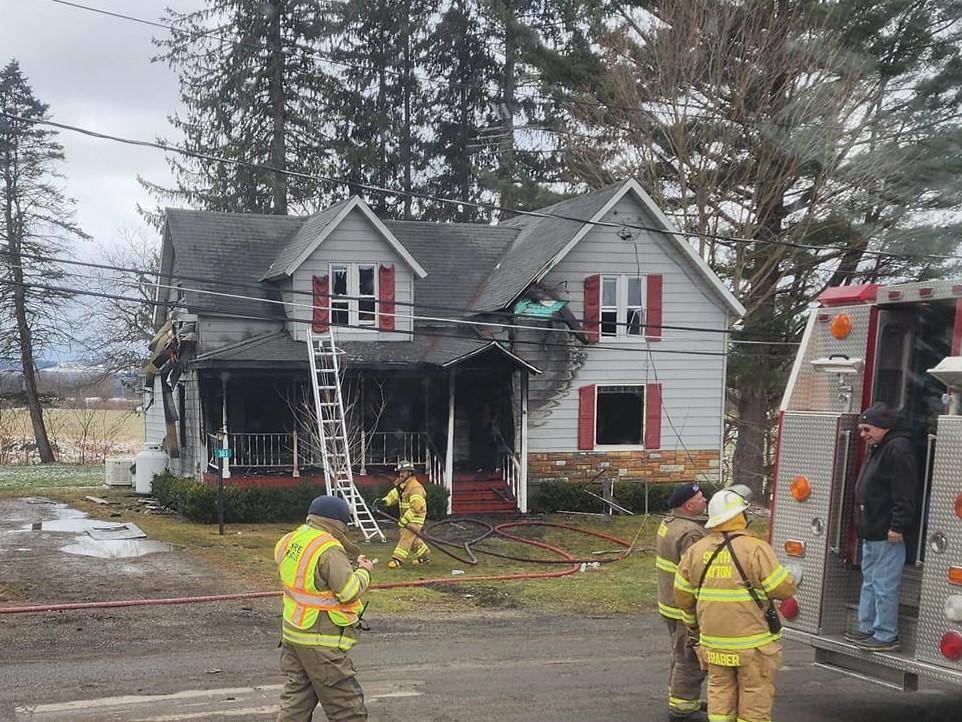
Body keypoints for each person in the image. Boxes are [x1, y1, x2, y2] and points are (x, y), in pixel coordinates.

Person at [674, 488, 797, 722]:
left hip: (714, 644)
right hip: (752, 645)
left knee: (720, 693)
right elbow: (783, 590)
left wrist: (694, 627)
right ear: (740, 516)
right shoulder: (756, 549)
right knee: (754, 695)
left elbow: (682, 596)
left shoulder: (695, 551)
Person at [275, 495, 374, 722]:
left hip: (294, 636)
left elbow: (310, 581)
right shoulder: (328, 549)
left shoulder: (290, 540)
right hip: (321, 641)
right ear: (338, 523)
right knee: (346, 708)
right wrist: (364, 571)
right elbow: (348, 591)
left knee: (296, 703)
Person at [844, 402, 917, 652]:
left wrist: (898, 525)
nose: (863, 435)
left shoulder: (898, 448)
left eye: (867, 429)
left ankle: (886, 634)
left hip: (888, 532)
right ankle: (867, 628)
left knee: (885, 584)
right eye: (860, 430)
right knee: (870, 581)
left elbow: (904, 491)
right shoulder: (878, 448)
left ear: (883, 426)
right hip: (871, 530)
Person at [656, 483, 709, 722]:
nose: (705, 500)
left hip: (669, 603)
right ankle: (684, 709)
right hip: (683, 607)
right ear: (688, 505)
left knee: (679, 653)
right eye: (700, 497)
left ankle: (680, 696)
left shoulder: (669, 523)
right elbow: (696, 573)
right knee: (690, 658)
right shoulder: (691, 533)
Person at [378, 460, 431, 568]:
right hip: (407, 516)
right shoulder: (402, 485)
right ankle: (425, 556)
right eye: (400, 472)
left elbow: (416, 507)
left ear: (410, 473)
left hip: (416, 517)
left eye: (403, 472)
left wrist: (405, 520)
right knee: (412, 539)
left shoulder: (415, 487)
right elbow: (393, 496)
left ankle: (397, 560)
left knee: (406, 536)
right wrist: (384, 501)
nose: (401, 474)